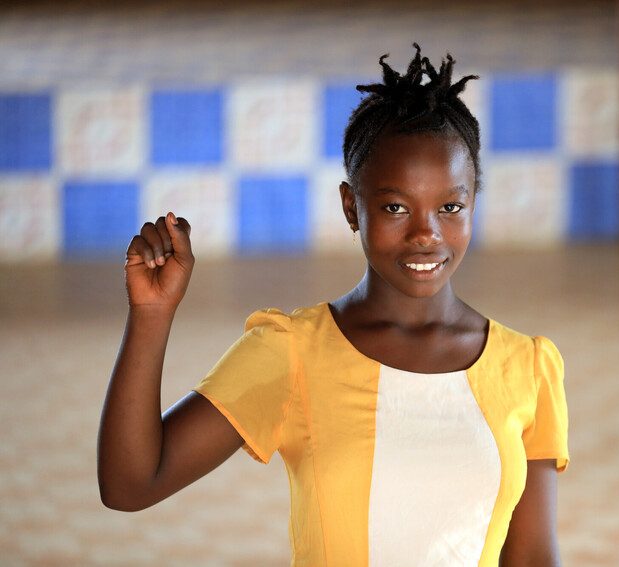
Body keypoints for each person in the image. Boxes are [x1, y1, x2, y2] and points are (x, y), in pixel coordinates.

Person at [97, 43, 569, 567]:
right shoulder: (292, 352)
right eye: (394, 207)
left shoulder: (527, 368)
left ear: (474, 202)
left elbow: (532, 557)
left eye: (450, 206)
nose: (425, 234)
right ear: (352, 207)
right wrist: (151, 314)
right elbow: (130, 484)